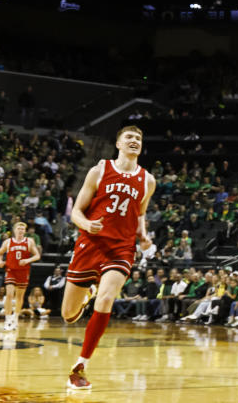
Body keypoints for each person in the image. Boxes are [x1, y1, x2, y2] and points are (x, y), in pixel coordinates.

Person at [62, 126, 156, 391]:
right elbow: (76, 212)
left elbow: (140, 214)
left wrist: (143, 236)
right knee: (68, 315)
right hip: (90, 243)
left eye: (139, 138)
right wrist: (87, 224)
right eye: (129, 137)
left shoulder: (148, 180)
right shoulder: (99, 170)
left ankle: (80, 365)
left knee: (107, 298)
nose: (135, 141)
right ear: (118, 143)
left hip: (121, 248)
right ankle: (86, 296)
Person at [0, 221, 41, 331]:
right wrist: (0, 261)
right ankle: (7, 320)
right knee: (9, 294)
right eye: (19, 229)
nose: (21, 231)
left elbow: (37, 256)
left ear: (25, 231)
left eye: (22, 229)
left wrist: (27, 260)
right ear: (14, 230)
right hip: (11, 270)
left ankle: (15, 318)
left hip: (24, 271)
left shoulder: (29, 241)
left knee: (19, 296)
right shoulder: (8, 242)